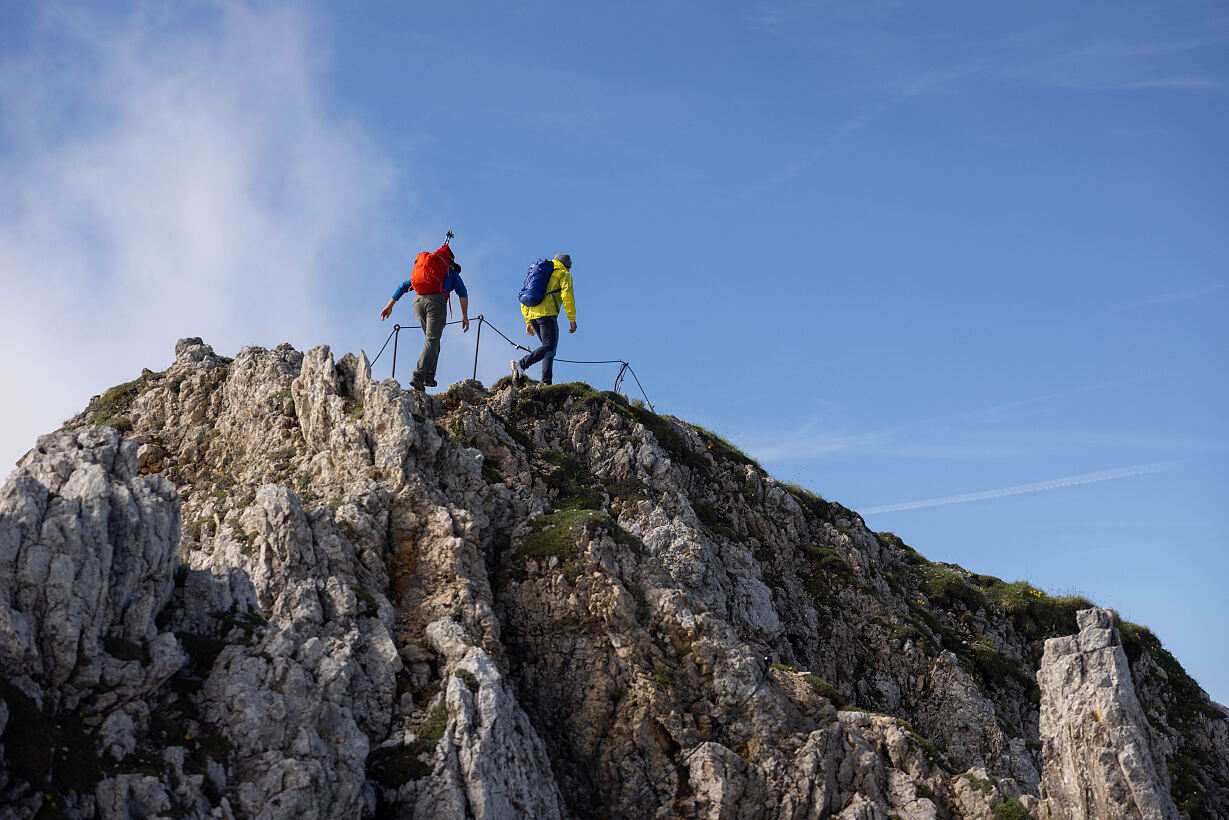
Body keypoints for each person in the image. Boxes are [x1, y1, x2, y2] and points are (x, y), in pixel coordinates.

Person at [379, 251, 469, 391]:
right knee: (431, 340)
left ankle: (429, 376)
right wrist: (465, 316)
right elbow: (463, 293)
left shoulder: (428, 272)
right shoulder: (452, 274)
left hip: (418, 301)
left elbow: (404, 286)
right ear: (450, 263)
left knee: (433, 341)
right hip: (436, 303)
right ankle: (419, 375)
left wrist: (389, 305)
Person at [511, 253, 576, 386]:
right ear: (567, 266)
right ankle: (521, 365)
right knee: (549, 346)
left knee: (548, 350)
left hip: (534, 316)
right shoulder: (563, 275)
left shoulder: (540, 274)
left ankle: (546, 383)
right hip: (547, 315)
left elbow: (524, 297)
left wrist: (528, 321)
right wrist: (572, 318)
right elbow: (567, 296)